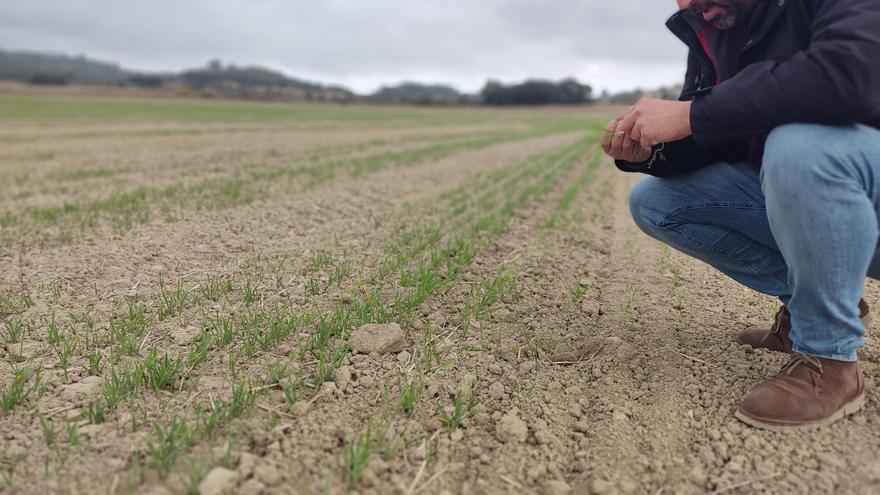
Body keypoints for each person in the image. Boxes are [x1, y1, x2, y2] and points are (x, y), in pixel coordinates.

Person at [601, 0, 880, 430]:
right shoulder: (718, 23)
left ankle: (830, 358)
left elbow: (849, 76)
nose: (685, 2)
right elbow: (724, 132)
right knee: (656, 202)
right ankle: (813, 306)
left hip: (862, 186)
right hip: (831, 198)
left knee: (800, 147)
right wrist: (651, 150)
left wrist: (694, 113)